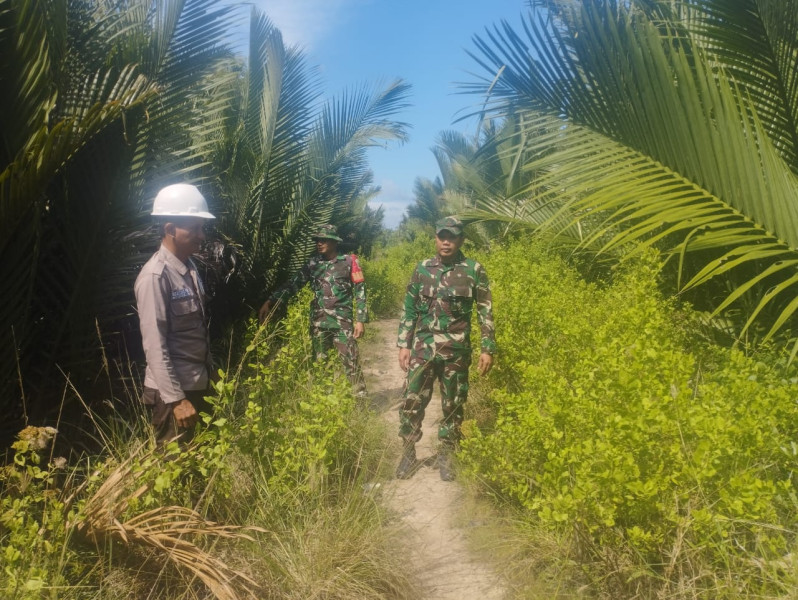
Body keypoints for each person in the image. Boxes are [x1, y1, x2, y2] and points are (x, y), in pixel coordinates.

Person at [396, 216, 496, 481]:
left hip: (456, 351)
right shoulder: (422, 269)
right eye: (442, 236)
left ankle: (448, 453)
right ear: (435, 238)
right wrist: (403, 344)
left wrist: (488, 348)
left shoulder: (474, 269)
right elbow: (409, 308)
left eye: (452, 237)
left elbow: (485, 311)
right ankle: (407, 452)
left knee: (453, 404)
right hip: (423, 348)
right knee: (411, 400)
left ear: (461, 240)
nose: (446, 242)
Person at [134, 183, 215, 445]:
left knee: (200, 467)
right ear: (170, 229)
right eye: (195, 228)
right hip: (173, 395)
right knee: (174, 471)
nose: (202, 235)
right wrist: (177, 400)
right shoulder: (154, 277)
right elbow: (154, 345)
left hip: (197, 384)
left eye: (202, 228)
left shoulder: (189, 267)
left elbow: (195, 328)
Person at [259, 224, 368, 395]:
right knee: (320, 367)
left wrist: (360, 320)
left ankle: (360, 403)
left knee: (351, 363)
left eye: (323, 240)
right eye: (317, 240)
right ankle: (323, 404)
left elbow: (360, 291)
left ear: (333, 242)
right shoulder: (312, 264)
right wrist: (271, 300)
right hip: (319, 324)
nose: (319, 243)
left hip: (343, 325)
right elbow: (293, 284)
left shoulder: (349, 262)